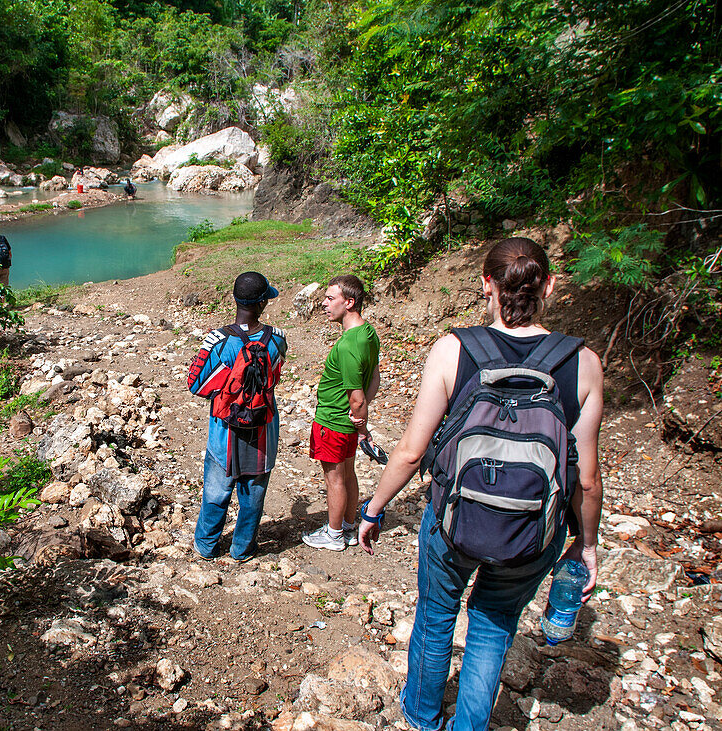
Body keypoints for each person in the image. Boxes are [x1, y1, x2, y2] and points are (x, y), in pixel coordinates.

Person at [357, 237, 604, 731]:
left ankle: (423, 718)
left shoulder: (454, 350)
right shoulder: (584, 363)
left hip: (452, 519)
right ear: (550, 285)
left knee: (435, 616)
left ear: (485, 285)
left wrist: (373, 508)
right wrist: (588, 545)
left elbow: (410, 450)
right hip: (533, 532)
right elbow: (588, 476)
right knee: (492, 628)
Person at [187, 272, 288, 562]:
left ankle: (206, 546)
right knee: (253, 495)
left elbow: (197, 385)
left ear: (235, 300)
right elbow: (275, 376)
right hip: (263, 433)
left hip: (224, 433)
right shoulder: (277, 340)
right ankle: (242, 548)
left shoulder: (218, 340)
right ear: (262, 304)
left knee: (216, 492)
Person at [302, 274, 381, 551]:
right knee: (349, 473)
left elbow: (357, 397)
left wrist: (361, 423)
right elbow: (374, 378)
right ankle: (348, 525)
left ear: (349, 302)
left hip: (334, 421)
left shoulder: (348, 345)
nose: (324, 304)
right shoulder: (368, 333)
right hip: (345, 421)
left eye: (330, 298)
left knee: (334, 479)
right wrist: (359, 419)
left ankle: (334, 535)